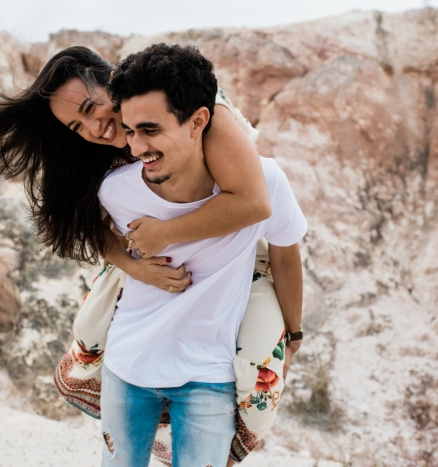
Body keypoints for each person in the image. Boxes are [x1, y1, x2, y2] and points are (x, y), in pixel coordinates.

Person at [0, 45, 302, 464]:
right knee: (91, 327)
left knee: (261, 367)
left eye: (90, 107)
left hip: (245, 249)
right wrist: (136, 265)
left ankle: (224, 443)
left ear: (112, 79)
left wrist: (165, 234)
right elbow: (90, 225)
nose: (93, 128)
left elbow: (253, 203)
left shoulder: (204, 113)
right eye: (75, 126)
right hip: (141, 270)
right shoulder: (109, 170)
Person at [89, 43, 307, 467]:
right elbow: (88, 231)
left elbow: (285, 257)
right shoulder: (117, 190)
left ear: (198, 121)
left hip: (208, 375)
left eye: (150, 130)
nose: (136, 147)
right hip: (127, 366)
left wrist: (293, 335)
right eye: (130, 131)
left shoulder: (265, 183)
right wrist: (133, 263)